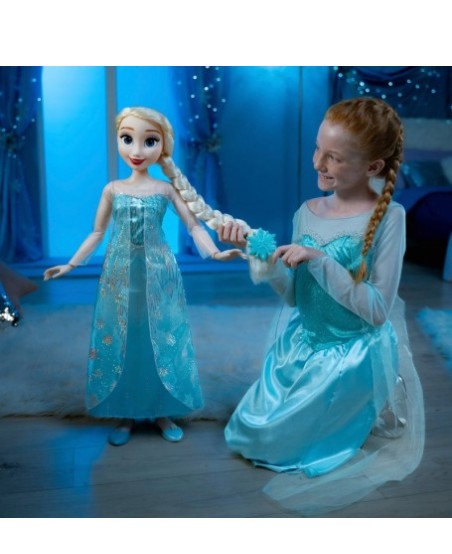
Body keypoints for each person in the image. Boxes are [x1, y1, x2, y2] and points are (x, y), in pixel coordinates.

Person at [219, 97, 425, 516]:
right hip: (303, 343)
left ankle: (347, 410)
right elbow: (295, 296)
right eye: (318, 149)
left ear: (373, 167)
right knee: (249, 433)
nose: (318, 163)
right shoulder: (307, 212)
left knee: (276, 444)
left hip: (351, 353)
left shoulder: (390, 217)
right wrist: (259, 253)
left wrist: (321, 261)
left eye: (334, 158)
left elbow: (377, 311)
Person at [44, 106, 242, 446]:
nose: (137, 150)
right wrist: (71, 264)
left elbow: (194, 226)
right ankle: (127, 412)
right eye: (127, 139)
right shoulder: (113, 189)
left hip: (158, 271)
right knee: (126, 337)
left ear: (162, 146)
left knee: (159, 336)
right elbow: (97, 232)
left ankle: (162, 409)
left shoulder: (165, 190)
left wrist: (214, 253)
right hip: (120, 274)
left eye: (149, 141)